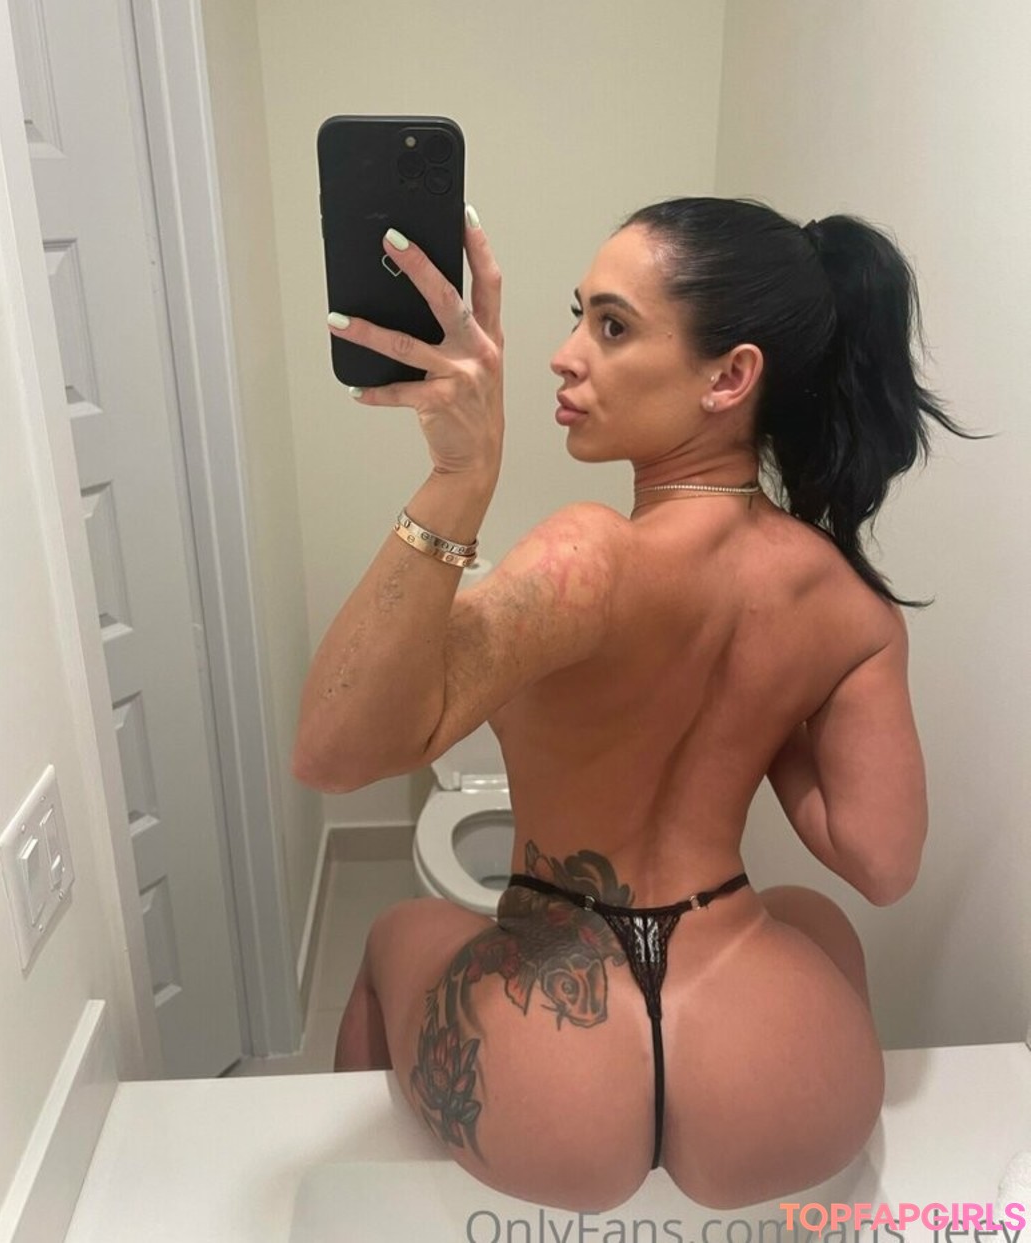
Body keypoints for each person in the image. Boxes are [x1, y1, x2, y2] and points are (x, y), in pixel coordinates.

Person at [292, 196, 961, 1213]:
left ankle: (380, 1208)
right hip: (776, 1070)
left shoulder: (589, 558)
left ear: (730, 377)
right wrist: (768, 700)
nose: (564, 357)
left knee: (396, 931)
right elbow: (882, 860)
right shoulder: (846, 603)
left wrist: (458, 479)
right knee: (814, 918)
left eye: (611, 327)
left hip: (552, 1066)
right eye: (580, 318)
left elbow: (332, 752)